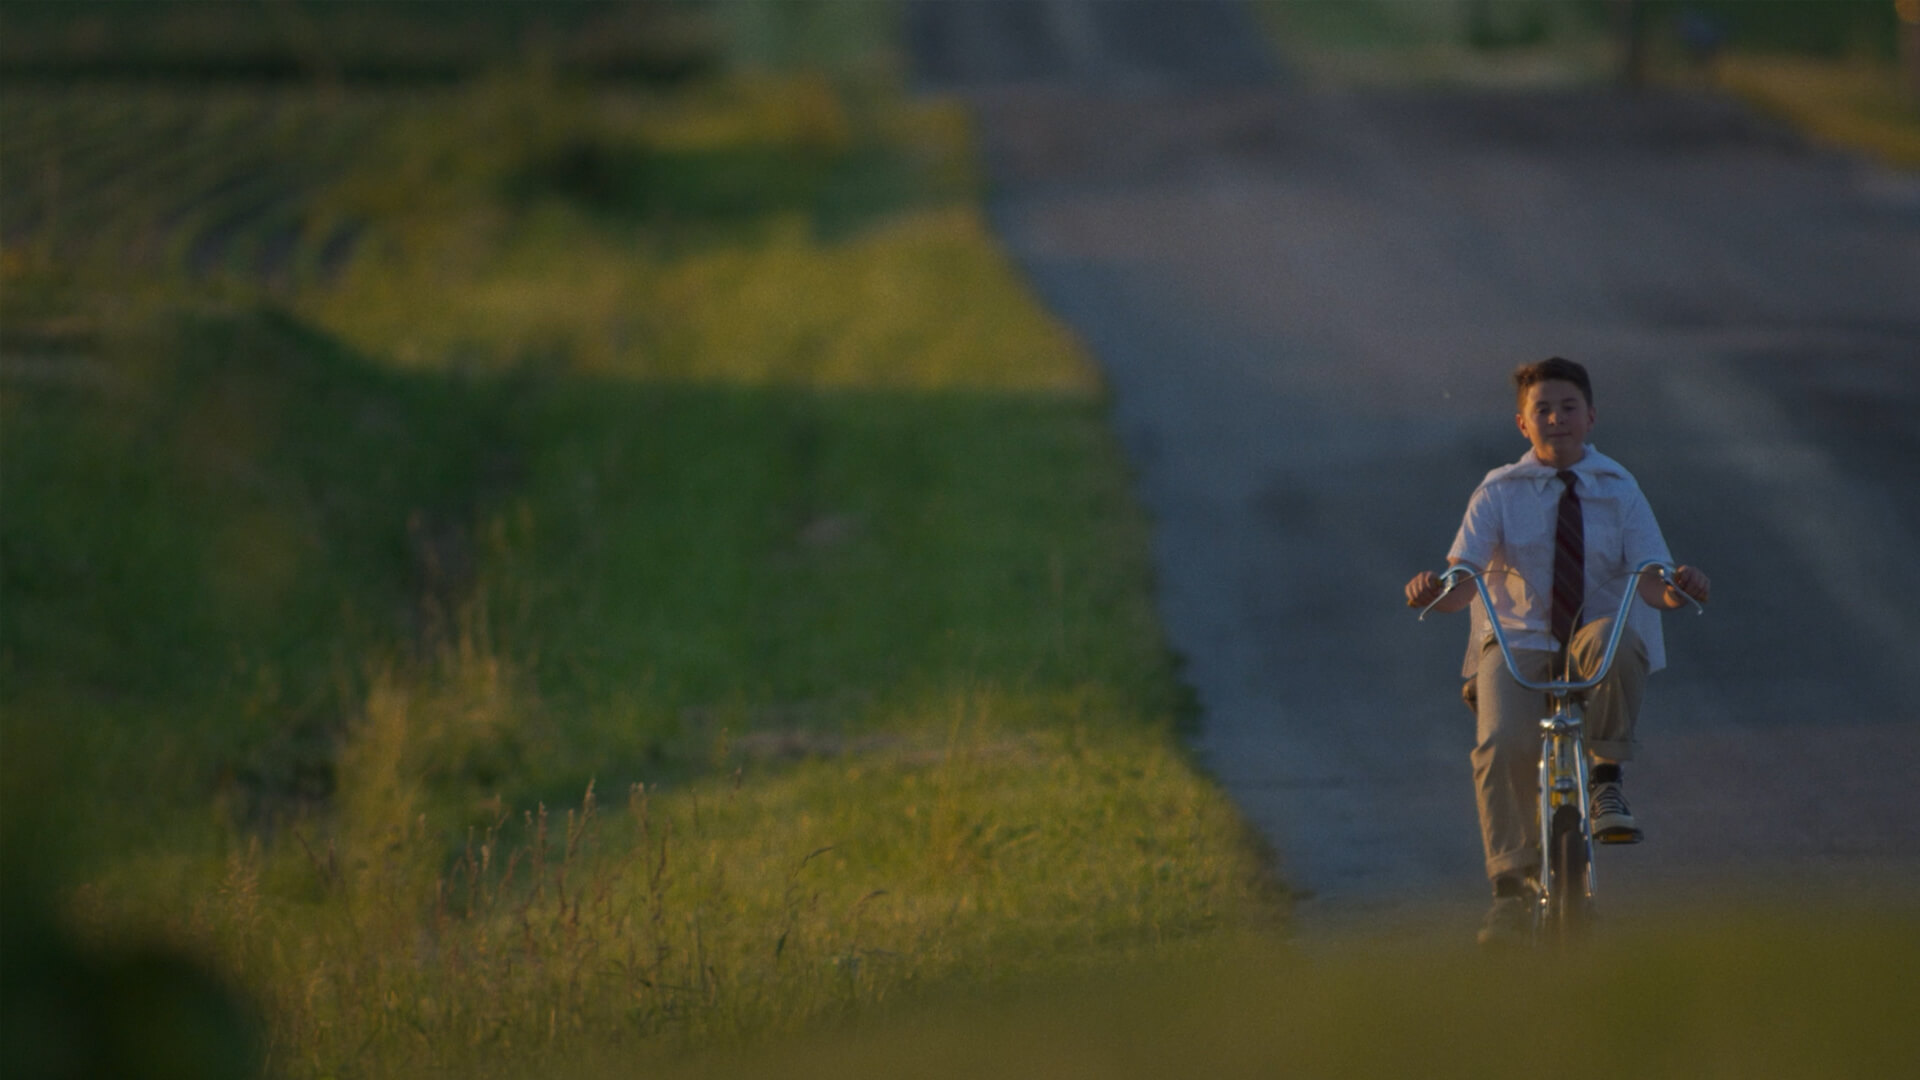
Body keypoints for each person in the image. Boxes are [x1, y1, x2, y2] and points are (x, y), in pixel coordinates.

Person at [1404, 357, 1710, 945]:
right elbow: (1462, 580)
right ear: (1522, 424)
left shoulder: (1619, 488)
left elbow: (1653, 579)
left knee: (1620, 637)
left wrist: (1680, 589)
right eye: (1541, 409)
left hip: (1591, 639)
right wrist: (1431, 591)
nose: (1556, 419)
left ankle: (1606, 778)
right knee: (1501, 744)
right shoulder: (1498, 491)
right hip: (1518, 640)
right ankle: (1509, 891)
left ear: (1591, 416)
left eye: (1568, 407)